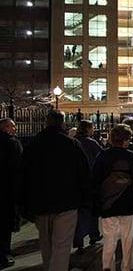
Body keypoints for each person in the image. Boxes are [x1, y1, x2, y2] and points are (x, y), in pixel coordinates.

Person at [20, 111, 91, 271]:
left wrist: (24, 203)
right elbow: (84, 174)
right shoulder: (71, 145)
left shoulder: (33, 145)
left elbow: (23, 175)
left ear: (46, 122)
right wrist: (85, 200)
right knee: (62, 245)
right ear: (62, 123)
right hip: (67, 202)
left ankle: (49, 267)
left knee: (46, 244)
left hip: (40, 202)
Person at [92, 125, 133, 271]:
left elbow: (95, 180)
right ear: (125, 140)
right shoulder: (131, 156)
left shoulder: (102, 156)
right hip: (127, 202)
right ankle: (127, 266)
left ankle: (107, 266)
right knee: (127, 238)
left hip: (108, 203)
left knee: (109, 238)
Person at [73, 120, 103, 251]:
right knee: (92, 209)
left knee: (78, 211)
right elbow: (101, 156)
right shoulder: (91, 143)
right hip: (90, 179)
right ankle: (93, 234)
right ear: (88, 129)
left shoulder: (73, 142)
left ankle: (78, 239)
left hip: (75, 180)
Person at [0, 118, 22, 269]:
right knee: (5, 224)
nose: (15, 129)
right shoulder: (12, 143)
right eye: (13, 126)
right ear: (6, 128)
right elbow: (18, 168)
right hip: (6, 190)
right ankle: (4, 254)